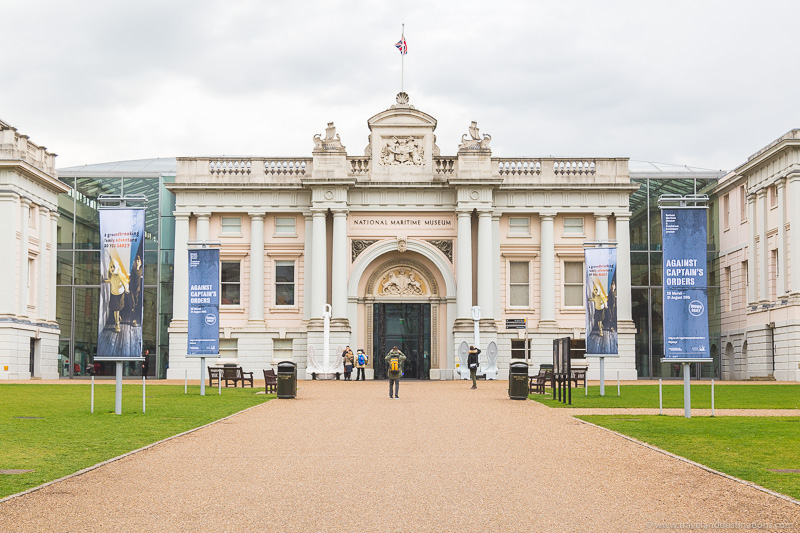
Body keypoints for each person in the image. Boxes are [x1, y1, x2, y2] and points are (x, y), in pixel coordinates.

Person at [103, 258, 129, 333]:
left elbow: (125, 283)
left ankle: (117, 321)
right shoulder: (110, 275)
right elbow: (111, 281)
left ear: (117, 267)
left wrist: (127, 289)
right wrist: (104, 281)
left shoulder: (120, 275)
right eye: (111, 267)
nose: (112, 268)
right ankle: (117, 323)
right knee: (115, 309)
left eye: (113, 266)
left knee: (118, 308)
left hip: (120, 294)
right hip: (113, 294)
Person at [127, 254, 143, 328]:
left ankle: (136, 319)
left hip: (138, 291)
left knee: (137, 305)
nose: (136, 262)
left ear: (140, 263)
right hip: (131, 291)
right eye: (135, 261)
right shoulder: (131, 272)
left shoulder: (141, 271)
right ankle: (133, 320)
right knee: (132, 305)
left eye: (138, 261)